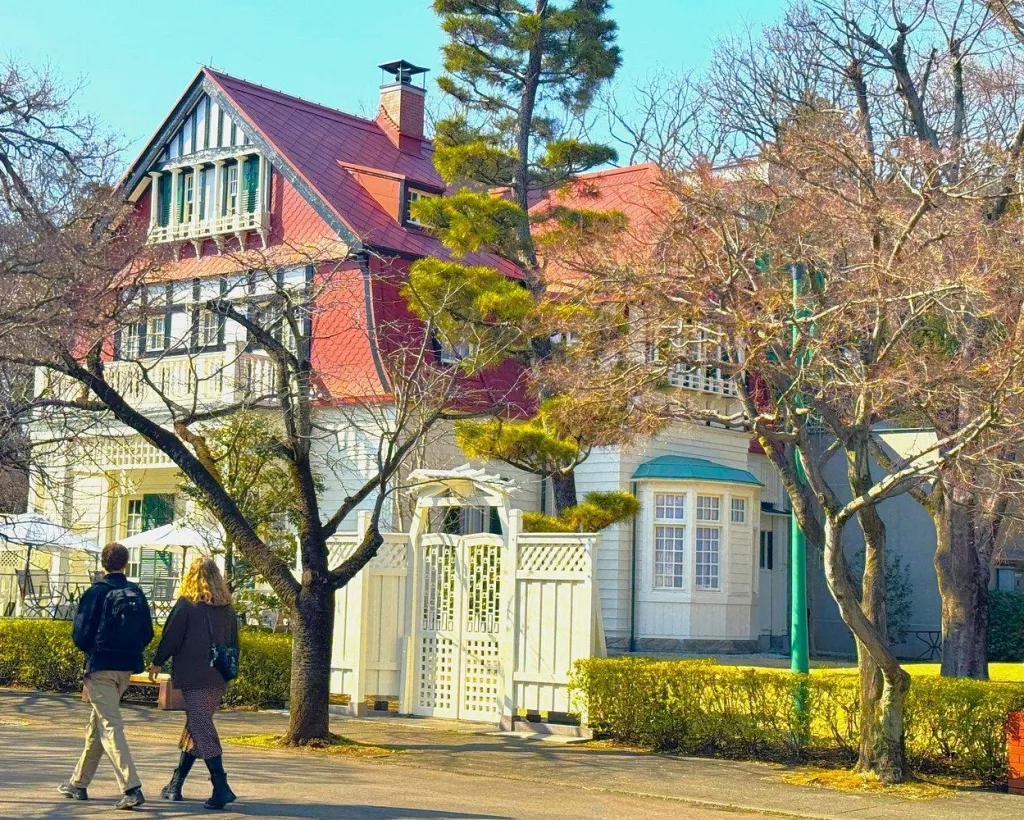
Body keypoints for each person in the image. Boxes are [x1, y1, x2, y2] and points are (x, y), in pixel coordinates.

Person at [59, 542, 154, 810]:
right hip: (127, 667)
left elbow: (80, 633)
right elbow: (148, 632)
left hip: (101, 666)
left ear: (103, 563)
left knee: (110, 726)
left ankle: (131, 787)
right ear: (125, 563)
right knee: (98, 725)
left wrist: (92, 651)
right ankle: (78, 783)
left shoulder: (96, 592)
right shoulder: (135, 592)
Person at [149, 557, 239, 810]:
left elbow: (171, 637)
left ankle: (220, 786)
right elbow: (233, 643)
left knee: (201, 728)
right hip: (217, 675)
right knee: (196, 726)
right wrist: (228, 674)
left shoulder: (186, 605)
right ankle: (175, 784)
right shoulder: (227, 608)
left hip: (194, 675)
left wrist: (157, 662)